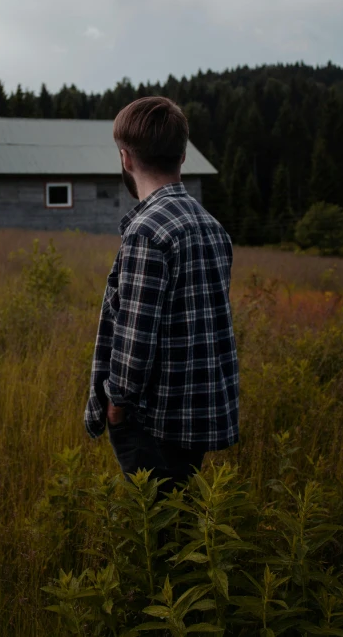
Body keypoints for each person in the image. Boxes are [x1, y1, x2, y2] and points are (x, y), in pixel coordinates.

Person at [84, 97, 239, 489]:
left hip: (152, 421)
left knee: (159, 537)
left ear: (126, 159)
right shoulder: (211, 226)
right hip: (195, 418)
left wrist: (116, 406)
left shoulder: (146, 232)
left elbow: (135, 340)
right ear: (183, 156)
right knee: (182, 524)